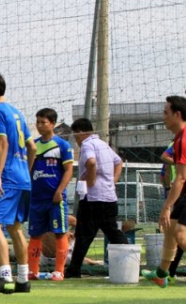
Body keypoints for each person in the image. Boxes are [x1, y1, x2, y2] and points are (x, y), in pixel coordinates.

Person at [0, 72, 36, 295]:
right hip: (23, 178)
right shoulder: (17, 113)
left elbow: (2, 142)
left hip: (8, 177)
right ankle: (22, 280)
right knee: (14, 227)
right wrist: (26, 173)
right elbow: (32, 147)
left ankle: (4, 277)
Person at [65, 117, 129, 278]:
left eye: (75, 136)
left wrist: (90, 180)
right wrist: (112, 180)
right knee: (112, 230)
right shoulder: (103, 145)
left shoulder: (87, 144)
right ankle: (129, 259)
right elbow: (119, 161)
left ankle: (74, 269)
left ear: (80, 133)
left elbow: (91, 163)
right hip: (109, 197)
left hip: (93, 198)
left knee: (83, 234)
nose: (76, 140)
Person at [142, 96, 186, 287]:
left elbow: (181, 177)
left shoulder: (183, 139)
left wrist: (166, 207)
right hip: (185, 192)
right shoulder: (177, 139)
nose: (163, 117)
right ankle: (162, 274)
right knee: (170, 228)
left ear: (177, 114)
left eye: (166, 112)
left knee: (180, 233)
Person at [26, 108, 74, 282]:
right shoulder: (33, 145)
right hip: (36, 199)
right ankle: (33, 271)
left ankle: (59, 271)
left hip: (55, 199)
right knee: (35, 234)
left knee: (60, 233)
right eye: (37, 122)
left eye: (43, 122)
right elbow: (28, 170)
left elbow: (69, 170)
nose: (39, 126)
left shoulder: (62, 145)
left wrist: (59, 191)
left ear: (52, 124)